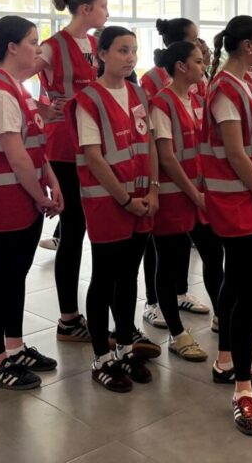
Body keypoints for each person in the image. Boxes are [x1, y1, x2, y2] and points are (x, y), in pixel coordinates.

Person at [0, 16, 64, 390]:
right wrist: (41, 195)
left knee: (15, 275)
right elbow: (17, 157)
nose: (38, 49)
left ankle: (15, 347)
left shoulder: (17, 87)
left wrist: (51, 180)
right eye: (32, 42)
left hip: (26, 197)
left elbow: (34, 145)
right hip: (8, 199)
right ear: (12, 47)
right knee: (1, 277)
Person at [74, 26, 161, 392]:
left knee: (128, 276)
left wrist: (153, 189)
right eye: (122, 50)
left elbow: (150, 143)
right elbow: (94, 157)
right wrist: (125, 200)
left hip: (142, 199)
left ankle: (125, 345)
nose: (130, 57)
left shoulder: (138, 93)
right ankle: (101, 357)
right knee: (105, 278)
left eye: (134, 50)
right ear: (102, 54)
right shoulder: (89, 99)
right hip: (109, 203)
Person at [203, 16, 252, 436]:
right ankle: (242, 389)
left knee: (235, 282)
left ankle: (226, 361)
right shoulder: (225, 89)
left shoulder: (244, 82)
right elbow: (234, 152)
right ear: (247, 46)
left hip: (246, 197)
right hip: (235, 202)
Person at [33, 0, 107, 343]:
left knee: (90, 228)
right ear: (86, 9)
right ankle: (68, 317)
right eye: (103, 6)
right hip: (64, 146)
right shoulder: (52, 46)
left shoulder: (93, 45)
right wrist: (41, 107)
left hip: (93, 143)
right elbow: (8, 78)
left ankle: (88, 314)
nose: (107, 12)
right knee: (73, 230)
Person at [138, 19, 211, 330]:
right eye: (195, 41)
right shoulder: (155, 86)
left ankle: (180, 294)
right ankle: (156, 304)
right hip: (171, 190)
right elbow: (164, 152)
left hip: (194, 189)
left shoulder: (194, 94)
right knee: (164, 254)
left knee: (193, 252)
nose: (202, 51)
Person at [149, 41, 219, 361]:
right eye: (198, 61)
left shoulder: (195, 99)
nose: (203, 66)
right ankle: (177, 334)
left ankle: (222, 315)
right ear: (181, 66)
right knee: (171, 263)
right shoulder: (162, 103)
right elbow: (166, 157)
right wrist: (195, 194)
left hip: (198, 194)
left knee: (213, 254)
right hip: (175, 196)